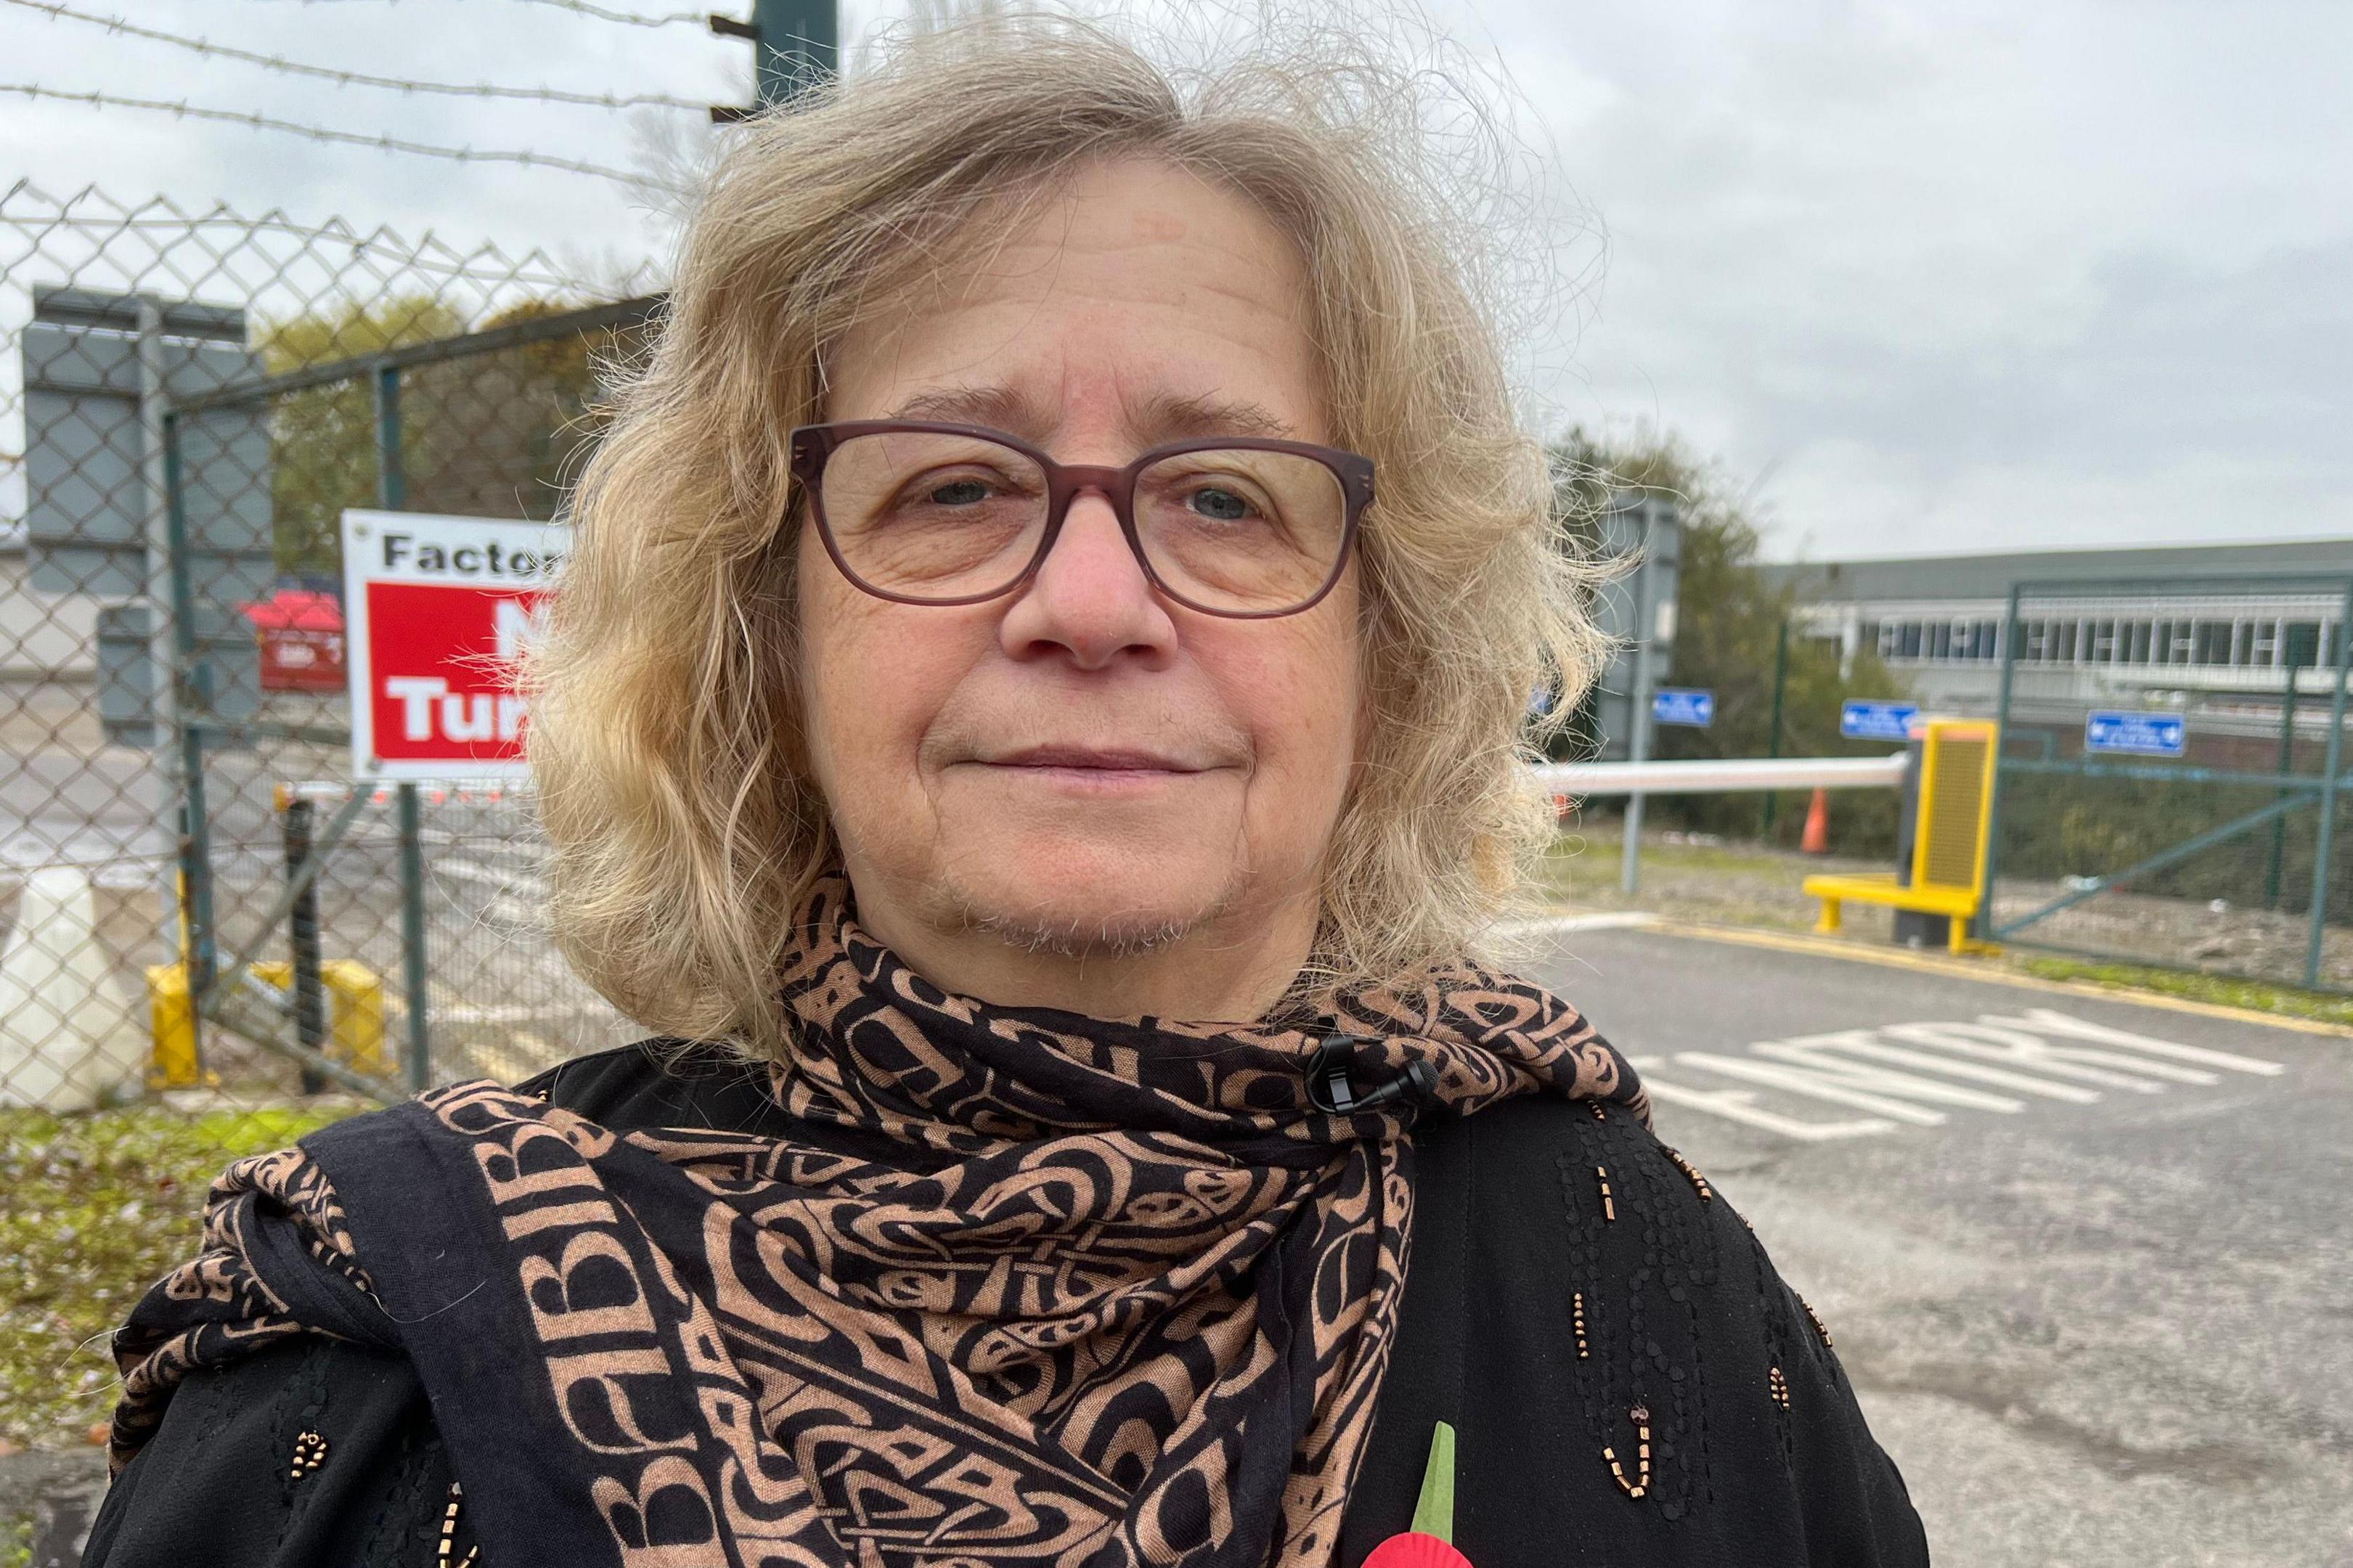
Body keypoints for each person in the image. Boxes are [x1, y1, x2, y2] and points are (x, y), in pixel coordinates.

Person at [83, 19, 1925, 1568]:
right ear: (765, 634)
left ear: (1390, 652)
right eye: (953, 485)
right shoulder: (369, 1368)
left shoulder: (1659, 1298)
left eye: (1226, 494)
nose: (1095, 602)